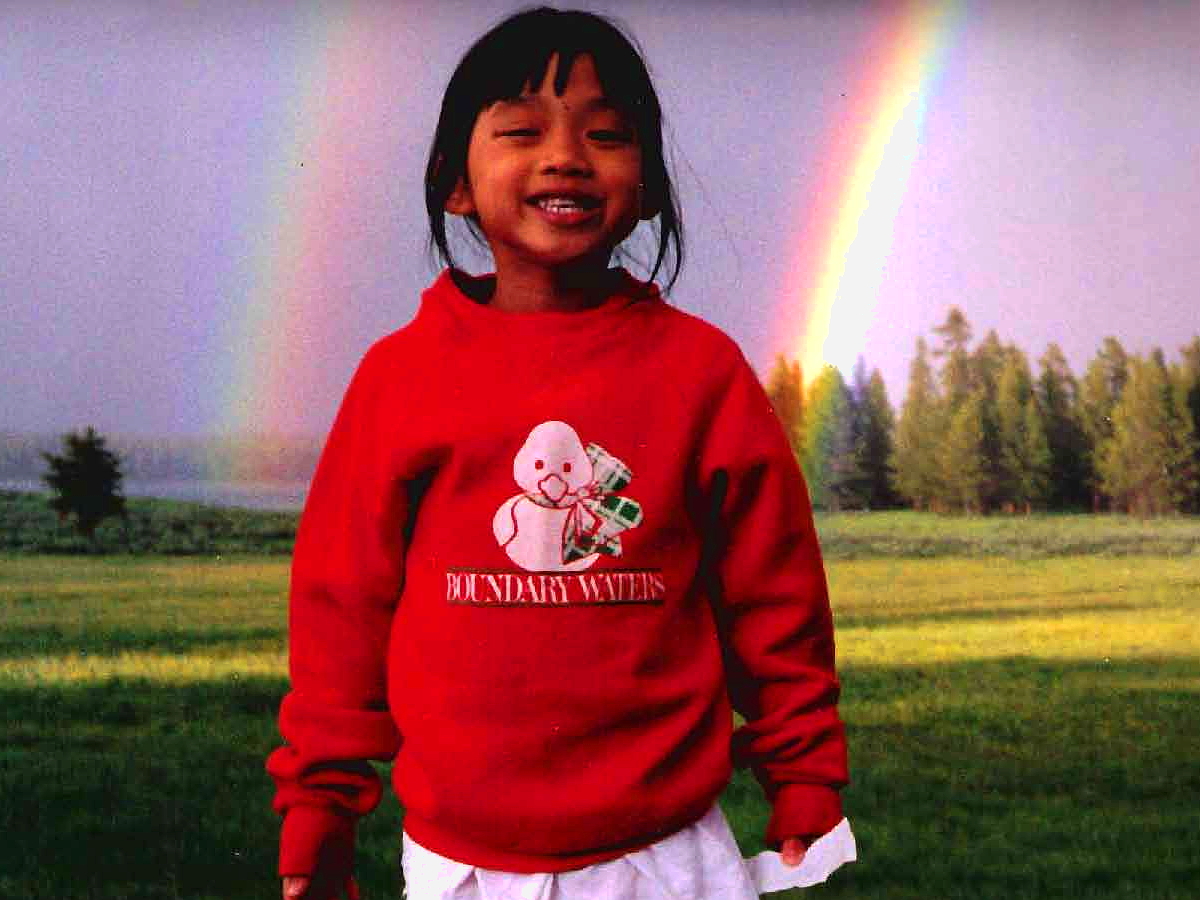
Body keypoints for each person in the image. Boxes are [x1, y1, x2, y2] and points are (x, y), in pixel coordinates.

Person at [267, 7, 852, 899]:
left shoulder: (702, 372)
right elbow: (341, 610)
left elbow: (774, 596)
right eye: (521, 131)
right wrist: (320, 805)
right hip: (462, 861)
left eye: (606, 134)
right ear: (454, 183)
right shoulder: (399, 376)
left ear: (647, 186)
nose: (566, 156)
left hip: (669, 854)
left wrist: (803, 773)